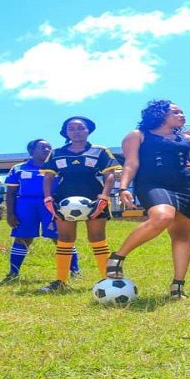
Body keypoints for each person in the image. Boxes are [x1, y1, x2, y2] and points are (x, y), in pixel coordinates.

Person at [105, 100, 190, 300]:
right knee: (163, 217)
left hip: (187, 188)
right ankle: (118, 256)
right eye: (176, 112)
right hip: (152, 184)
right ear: (160, 114)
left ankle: (177, 286)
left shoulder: (186, 139)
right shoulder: (138, 135)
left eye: (182, 112)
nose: (182, 115)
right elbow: (131, 163)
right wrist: (123, 187)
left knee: (181, 236)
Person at [39, 117, 121, 293]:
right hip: (64, 198)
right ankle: (61, 281)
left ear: (88, 130)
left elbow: (109, 175)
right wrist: (48, 199)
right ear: (66, 132)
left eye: (80, 128)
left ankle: (107, 280)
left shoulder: (100, 151)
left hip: (94, 197)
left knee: (97, 237)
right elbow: (48, 177)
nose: (76, 132)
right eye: (71, 128)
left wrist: (104, 197)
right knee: (65, 238)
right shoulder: (56, 153)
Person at [0, 139, 81, 284]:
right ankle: (13, 273)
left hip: (52, 204)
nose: (47, 150)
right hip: (26, 205)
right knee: (22, 237)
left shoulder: (58, 167)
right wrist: (10, 214)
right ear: (31, 151)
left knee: (61, 238)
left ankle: (75, 271)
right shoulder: (18, 169)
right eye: (42, 147)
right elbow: (10, 193)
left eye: (49, 147)